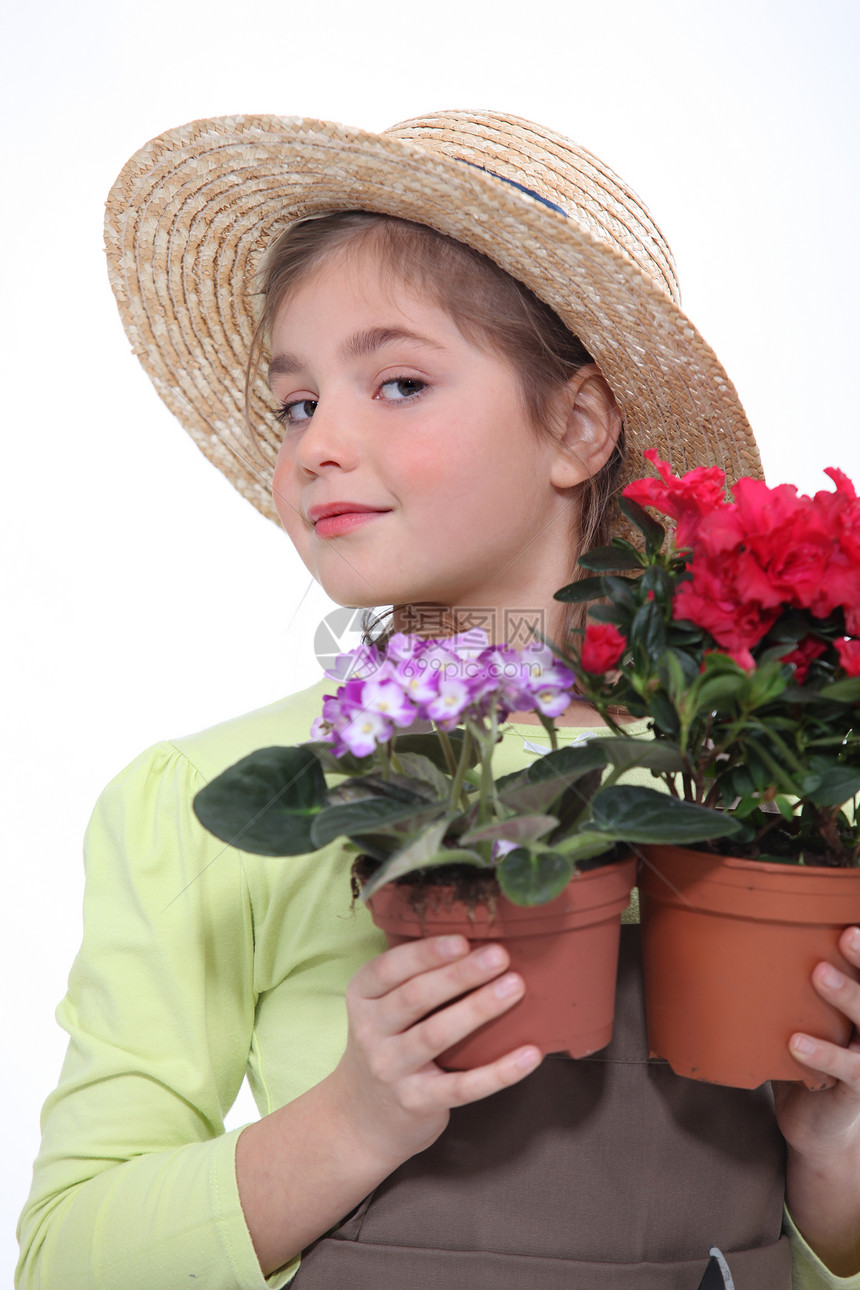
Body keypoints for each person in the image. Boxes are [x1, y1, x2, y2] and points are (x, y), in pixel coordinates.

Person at [16, 110, 860, 1290]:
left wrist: (834, 1170)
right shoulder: (206, 804)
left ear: (574, 425)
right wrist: (354, 1120)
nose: (317, 445)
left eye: (398, 382)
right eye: (296, 404)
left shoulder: (759, 796)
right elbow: (68, 1257)